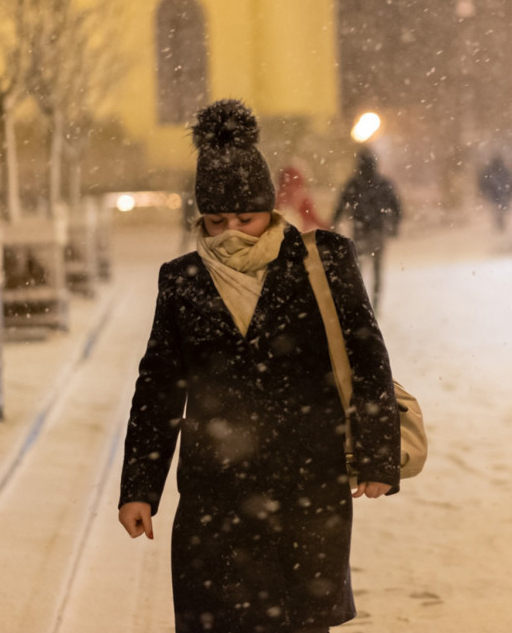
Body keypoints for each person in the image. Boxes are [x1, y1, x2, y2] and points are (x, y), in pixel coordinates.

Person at [118, 99, 401, 633]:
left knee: (299, 620)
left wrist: (377, 454)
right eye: (216, 220)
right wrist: (139, 486)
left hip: (307, 486)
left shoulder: (325, 260)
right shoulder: (181, 279)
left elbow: (367, 355)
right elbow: (157, 386)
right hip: (215, 495)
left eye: (245, 218)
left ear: (269, 208)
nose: (232, 232)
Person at [331, 148, 401, 309]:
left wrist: (334, 224)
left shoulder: (354, 183)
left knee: (358, 271)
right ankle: (374, 304)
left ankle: (360, 304)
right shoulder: (383, 183)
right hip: (377, 230)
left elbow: (340, 205)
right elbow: (396, 207)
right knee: (376, 269)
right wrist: (394, 226)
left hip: (360, 230)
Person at [275, 164, 329, 233]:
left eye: (296, 185)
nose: (292, 191)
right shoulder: (274, 207)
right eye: (288, 186)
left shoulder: (305, 205)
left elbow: (323, 226)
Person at [478, 155, 512, 232]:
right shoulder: (504, 171)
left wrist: (485, 192)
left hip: (495, 194)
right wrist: (509, 192)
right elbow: (511, 182)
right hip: (501, 194)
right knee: (500, 210)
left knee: (497, 210)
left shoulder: (490, 171)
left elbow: (484, 183)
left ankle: (499, 224)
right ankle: (500, 224)